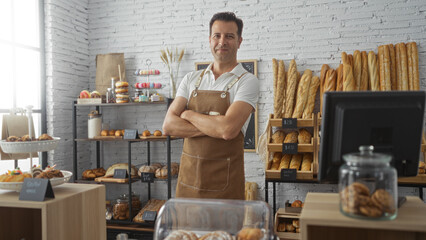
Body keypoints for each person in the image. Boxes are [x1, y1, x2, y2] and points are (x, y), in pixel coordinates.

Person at [162, 12, 259, 200]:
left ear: (239, 41)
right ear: (209, 40)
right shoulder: (191, 79)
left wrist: (188, 114)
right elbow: (168, 126)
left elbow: (228, 130)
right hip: (188, 185)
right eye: (217, 35)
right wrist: (216, 126)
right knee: (186, 231)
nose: (222, 41)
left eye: (229, 36)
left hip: (225, 189)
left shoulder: (247, 81)